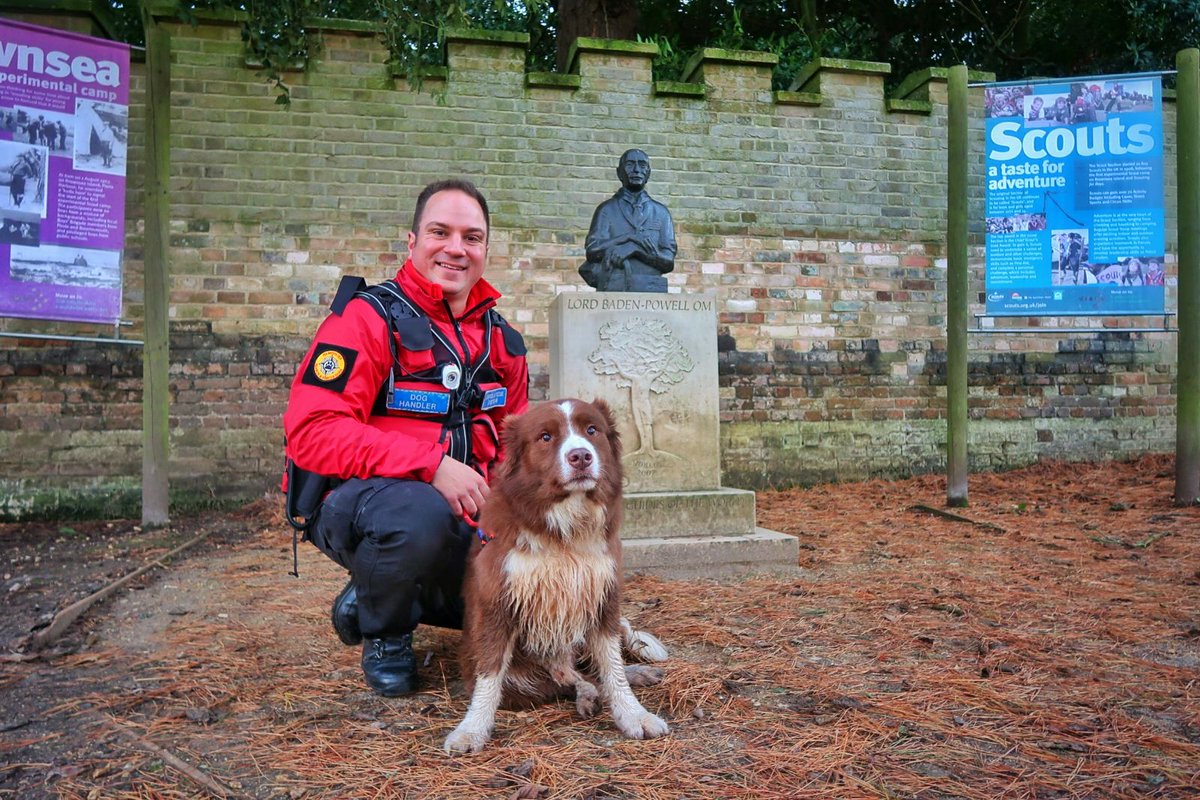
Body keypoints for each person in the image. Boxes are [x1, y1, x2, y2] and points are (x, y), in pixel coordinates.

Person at [282, 178, 530, 697]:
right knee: (417, 515)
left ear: (486, 249)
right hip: (365, 506)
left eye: (472, 236)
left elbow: (520, 454)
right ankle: (386, 631)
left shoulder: (503, 341)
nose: (456, 248)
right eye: (440, 232)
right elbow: (312, 434)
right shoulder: (366, 318)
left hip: (469, 524)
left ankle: (375, 592)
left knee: (523, 618)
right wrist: (433, 465)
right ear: (412, 242)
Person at [578, 149, 677, 292]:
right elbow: (593, 251)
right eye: (630, 164)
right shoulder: (606, 210)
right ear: (619, 172)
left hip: (651, 287)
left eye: (642, 165)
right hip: (613, 285)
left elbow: (668, 262)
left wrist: (635, 249)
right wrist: (628, 237)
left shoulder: (661, 213)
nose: (637, 170)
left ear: (648, 173)